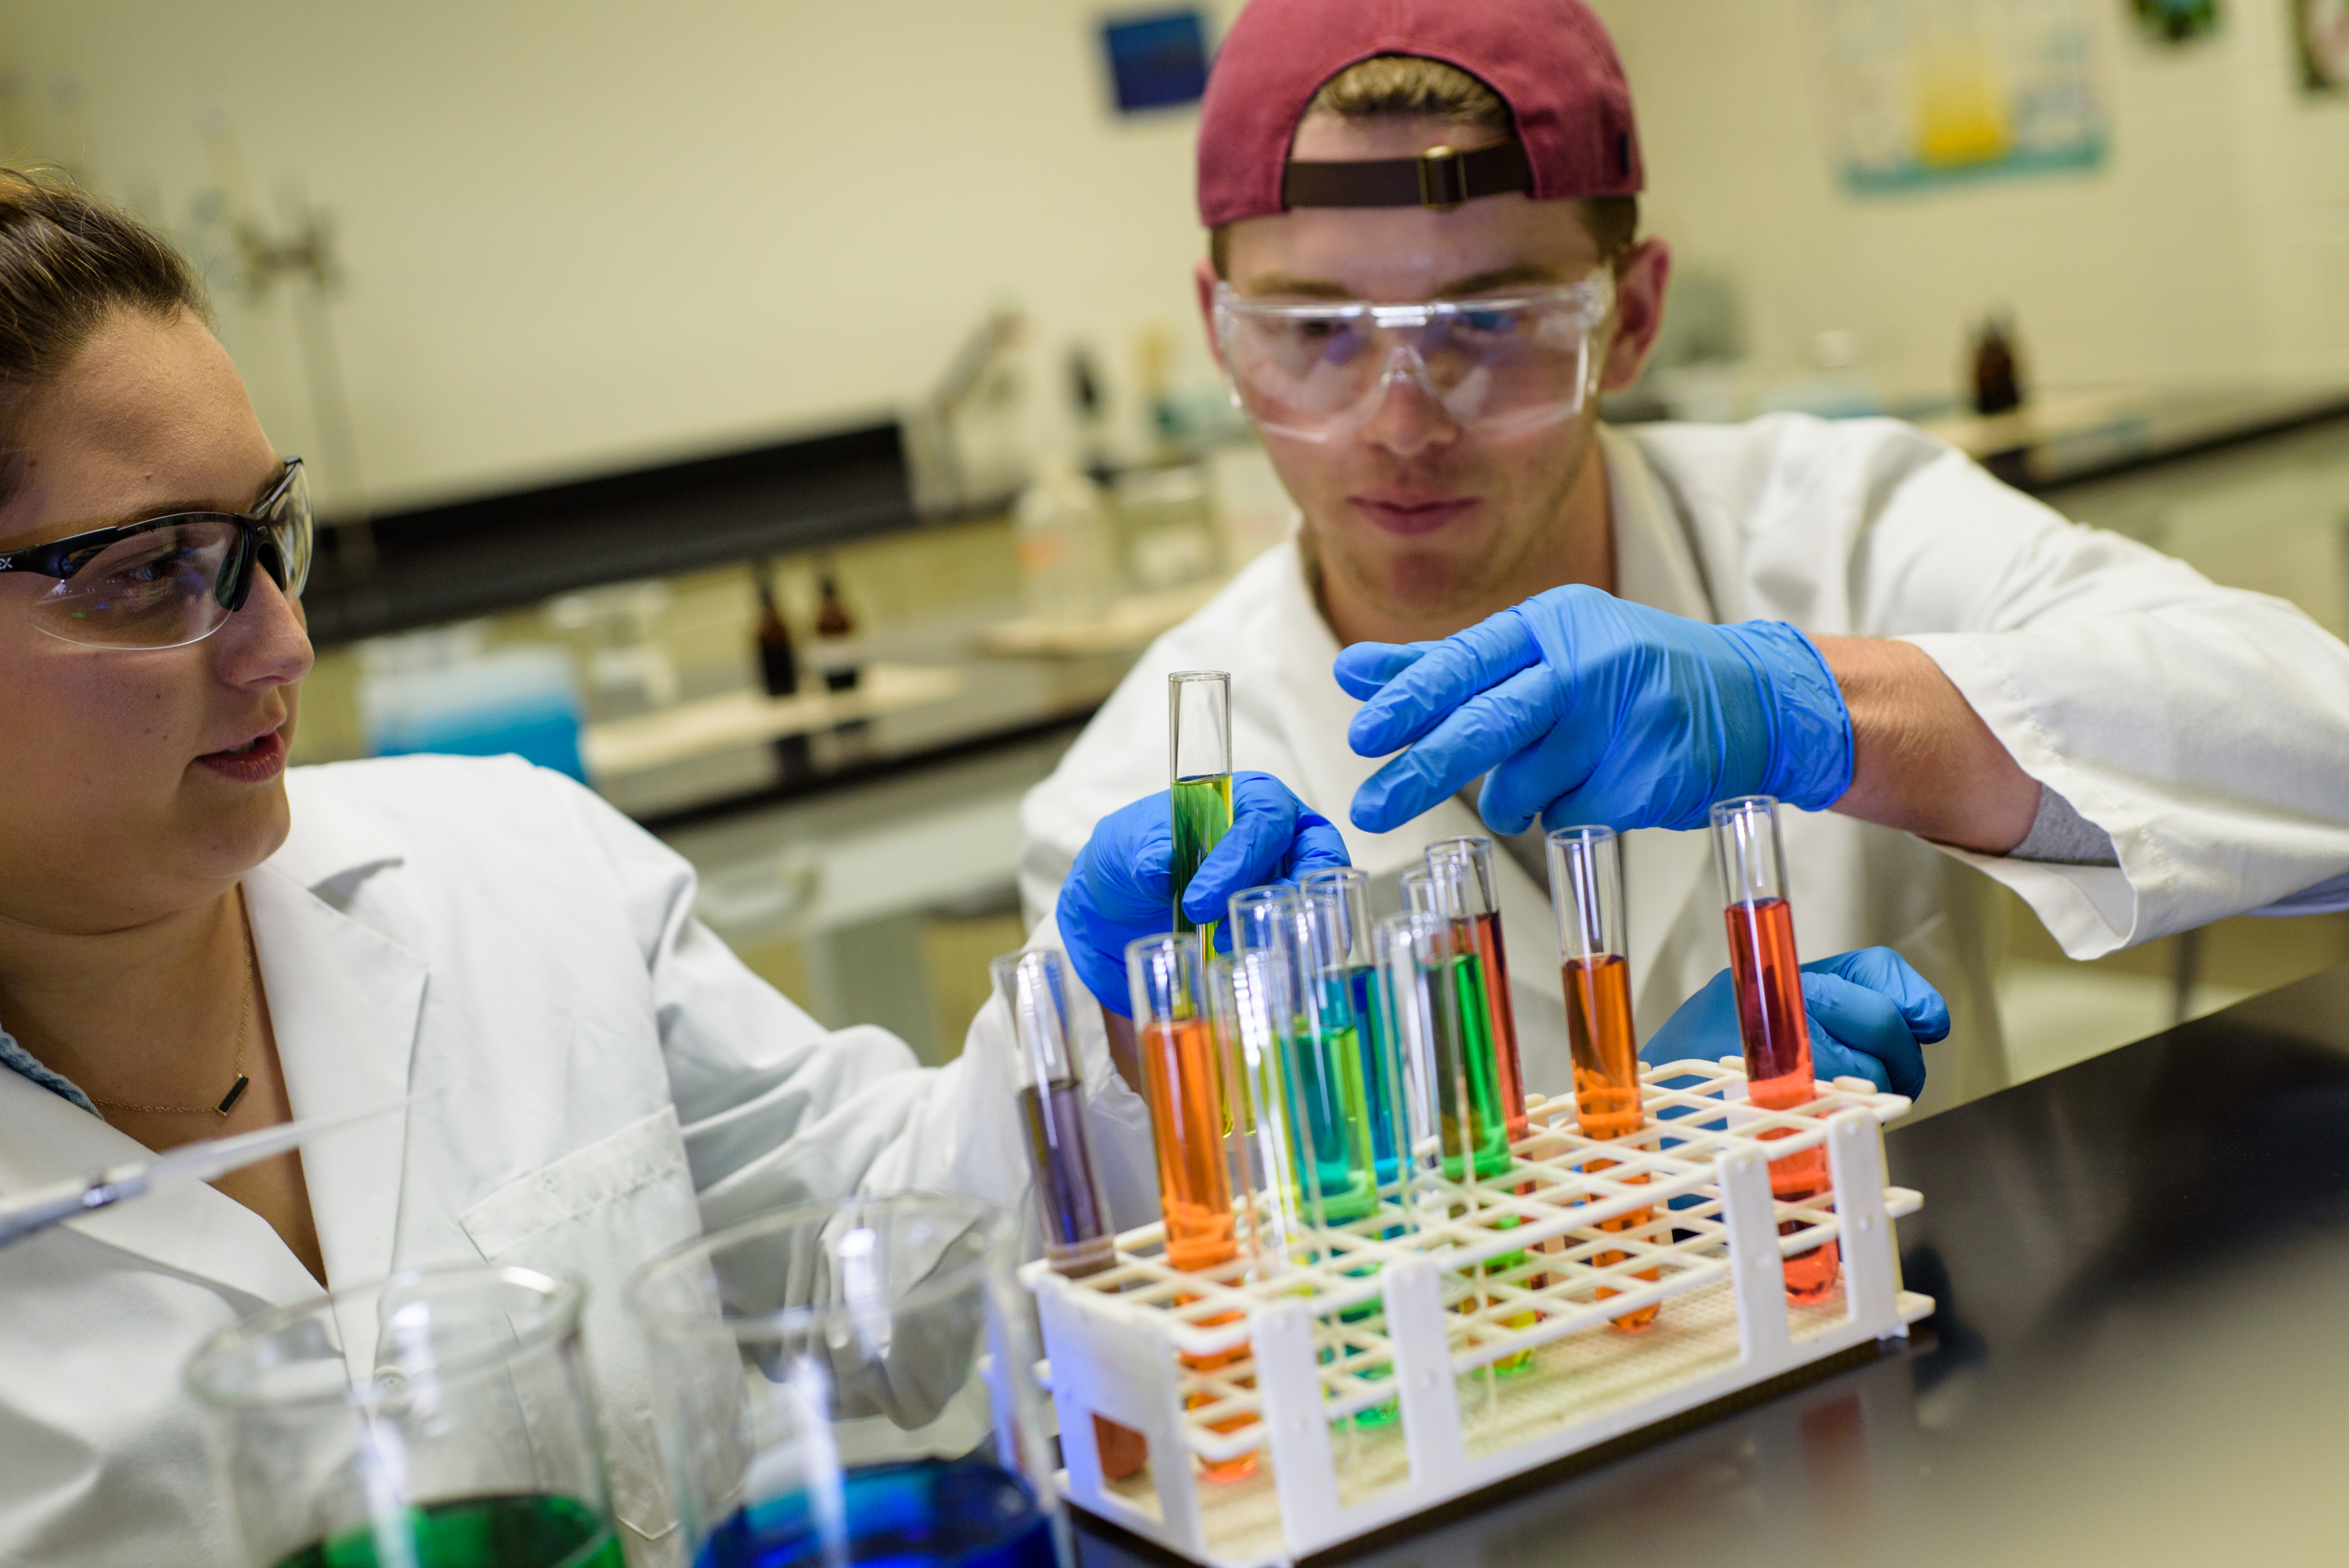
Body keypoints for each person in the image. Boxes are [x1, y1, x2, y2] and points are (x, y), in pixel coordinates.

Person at [0, 171, 1949, 1567]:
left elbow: (889, 1262)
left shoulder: (512, 868)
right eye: (150, 572)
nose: (276, 643)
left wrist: (1099, 1010)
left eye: (265, 534)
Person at [1021, 0, 2349, 1115]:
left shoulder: (1836, 525)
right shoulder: (1162, 783)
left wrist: (1825, 710)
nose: (1404, 422)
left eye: (1493, 321)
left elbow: (2321, 752)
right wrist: (1613, 1173)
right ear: (1219, 334)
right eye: (1314, 332)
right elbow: (1161, 1292)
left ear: (1635, 315)